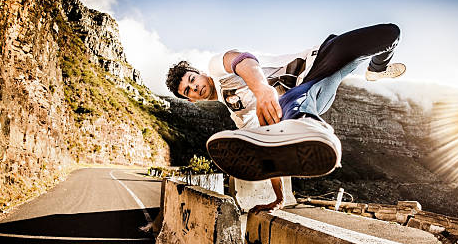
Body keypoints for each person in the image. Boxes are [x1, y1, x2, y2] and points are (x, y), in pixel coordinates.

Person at [165, 24, 404, 213]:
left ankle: (376, 70)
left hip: (319, 58)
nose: (194, 88)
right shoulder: (241, 118)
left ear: (201, 74)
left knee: (389, 34)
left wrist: (262, 89)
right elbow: (272, 157)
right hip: (307, 95)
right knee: (285, 105)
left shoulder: (217, 68)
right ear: (191, 101)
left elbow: (243, 60)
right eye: (188, 91)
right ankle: (310, 125)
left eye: (192, 80)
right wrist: (278, 198)